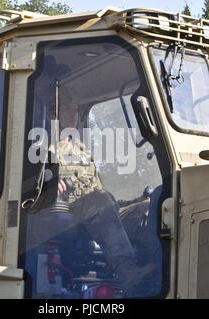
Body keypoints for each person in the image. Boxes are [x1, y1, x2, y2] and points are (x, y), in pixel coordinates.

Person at [53, 86, 160, 297]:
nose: (74, 113)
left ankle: (157, 270)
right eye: (68, 108)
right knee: (101, 199)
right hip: (74, 211)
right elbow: (32, 184)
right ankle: (129, 274)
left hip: (99, 208)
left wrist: (138, 199)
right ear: (53, 114)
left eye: (76, 108)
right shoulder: (46, 147)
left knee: (150, 205)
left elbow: (97, 185)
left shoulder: (80, 147)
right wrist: (50, 186)